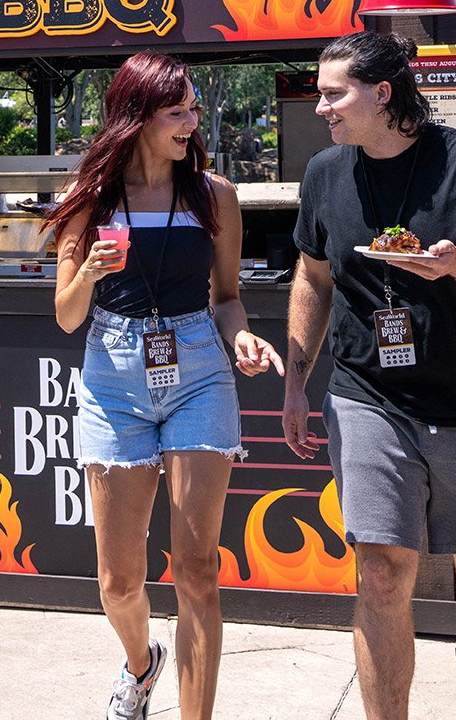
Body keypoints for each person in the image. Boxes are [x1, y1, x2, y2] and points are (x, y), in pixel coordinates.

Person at [281, 31, 456, 719]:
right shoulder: (326, 175)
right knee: (380, 572)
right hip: (370, 397)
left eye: (334, 93)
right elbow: (313, 275)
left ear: (383, 92)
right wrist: (296, 377)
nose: (322, 108)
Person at [51, 51, 282, 720]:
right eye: (177, 110)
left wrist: (239, 334)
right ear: (139, 116)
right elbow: (67, 316)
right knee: (120, 581)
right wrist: (90, 270)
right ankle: (140, 664)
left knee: (197, 569)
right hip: (111, 379)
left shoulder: (215, 196)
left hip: (199, 372)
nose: (193, 121)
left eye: (194, 108)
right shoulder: (91, 198)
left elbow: (229, 298)